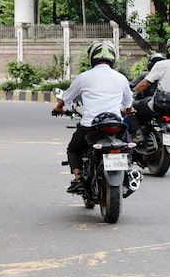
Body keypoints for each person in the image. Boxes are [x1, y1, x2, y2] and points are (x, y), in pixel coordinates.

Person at [51, 40, 133, 193]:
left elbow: (67, 97)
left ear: (92, 57)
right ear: (113, 57)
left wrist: (58, 108)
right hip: (115, 126)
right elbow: (129, 104)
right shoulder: (121, 78)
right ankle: (128, 169)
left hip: (91, 126)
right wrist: (126, 111)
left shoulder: (84, 77)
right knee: (127, 144)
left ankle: (79, 178)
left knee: (73, 150)